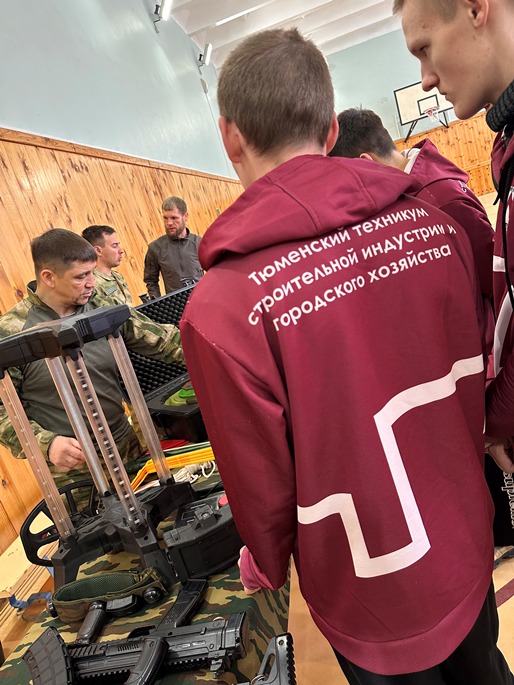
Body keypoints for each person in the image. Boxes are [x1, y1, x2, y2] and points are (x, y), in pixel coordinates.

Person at [180, 26, 512, 685]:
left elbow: (261, 486)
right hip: (462, 541)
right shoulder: (437, 225)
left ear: (229, 137)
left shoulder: (221, 309)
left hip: (368, 587)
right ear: (332, 129)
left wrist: (265, 560)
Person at [393, 0, 514, 548]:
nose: (425, 78)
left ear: (475, 8)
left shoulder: (444, 198)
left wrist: (496, 418)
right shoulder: (505, 142)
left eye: (425, 49)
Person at [0, 228, 183, 490]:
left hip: (127, 448)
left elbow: (165, 341)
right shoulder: (11, 331)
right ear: (48, 277)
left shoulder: (101, 306)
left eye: (92, 273)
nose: (91, 283)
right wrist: (46, 444)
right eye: (81, 276)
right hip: (74, 473)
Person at [330, 107, 494, 303]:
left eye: (352, 180)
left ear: (367, 163)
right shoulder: (414, 189)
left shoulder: (440, 200)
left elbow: (492, 280)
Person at [143, 196, 202, 298]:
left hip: (203, 300)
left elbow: (214, 273)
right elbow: (151, 281)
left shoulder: (200, 243)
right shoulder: (155, 248)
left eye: (174, 218)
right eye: (165, 218)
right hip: (175, 305)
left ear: (185, 216)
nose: (169, 223)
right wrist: (158, 303)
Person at [82, 224, 132, 304]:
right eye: (114, 246)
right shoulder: (91, 283)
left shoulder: (116, 276)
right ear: (98, 250)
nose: (121, 250)